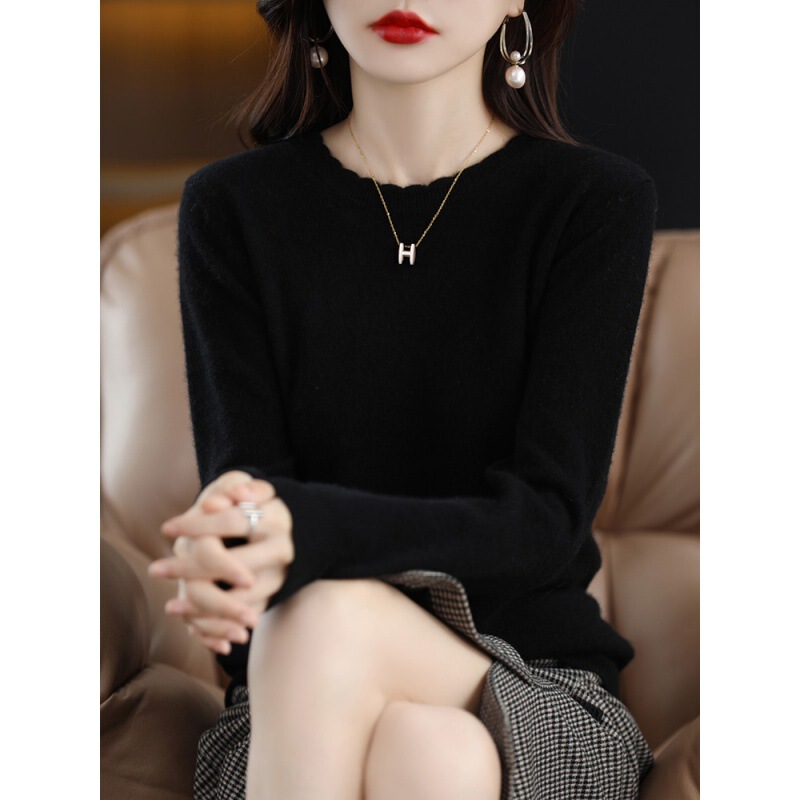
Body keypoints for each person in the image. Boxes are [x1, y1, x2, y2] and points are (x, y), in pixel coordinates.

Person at [148, 1, 659, 798]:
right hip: (291, 705)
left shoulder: (593, 203)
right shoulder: (231, 208)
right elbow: (248, 499)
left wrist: (304, 530)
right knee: (430, 752)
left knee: (326, 619)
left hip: (533, 682)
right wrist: (234, 549)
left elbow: (544, 520)